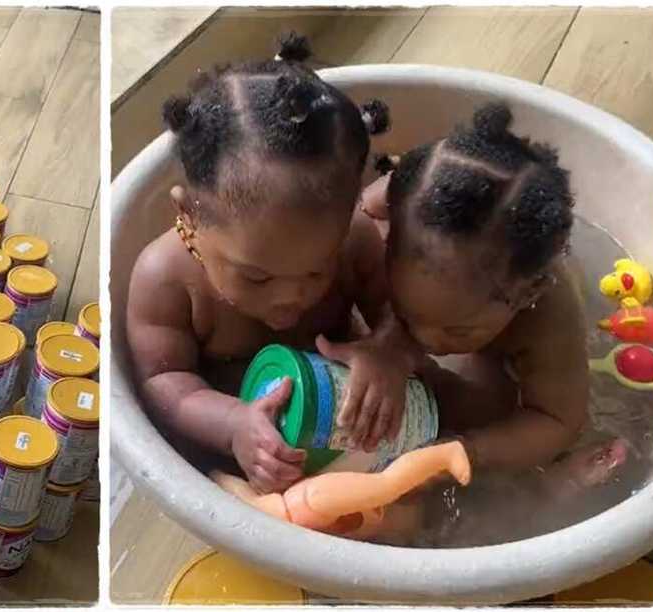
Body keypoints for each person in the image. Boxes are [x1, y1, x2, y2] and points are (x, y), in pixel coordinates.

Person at [126, 33, 415, 494]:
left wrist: (388, 353)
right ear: (189, 217)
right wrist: (233, 424)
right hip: (244, 444)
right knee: (229, 490)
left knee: (446, 411)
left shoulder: (355, 238)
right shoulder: (166, 278)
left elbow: (401, 311)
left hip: (344, 420)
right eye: (256, 275)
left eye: (317, 269)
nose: (291, 297)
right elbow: (164, 382)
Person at [363, 102, 586, 474]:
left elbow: (558, 422)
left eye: (457, 329)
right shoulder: (403, 200)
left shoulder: (547, 314)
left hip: (503, 346)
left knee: (486, 409)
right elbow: (358, 217)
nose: (427, 341)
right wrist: (387, 339)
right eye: (407, 312)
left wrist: (463, 452)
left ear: (528, 293)